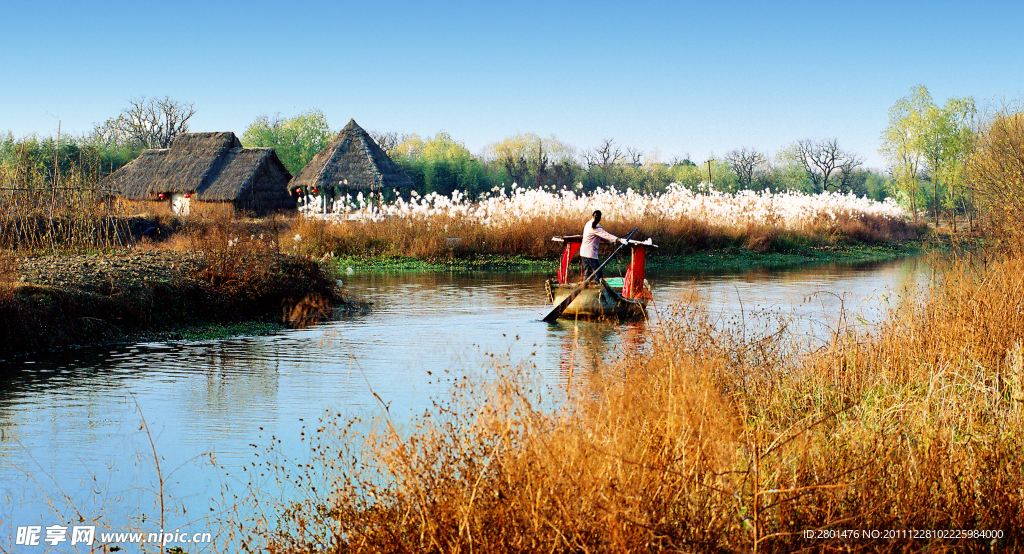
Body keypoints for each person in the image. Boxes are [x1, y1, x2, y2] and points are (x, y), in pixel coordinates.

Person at [580, 210, 627, 281]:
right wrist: (618, 240)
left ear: (592, 216)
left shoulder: (588, 224)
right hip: (590, 253)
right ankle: (598, 287)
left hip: (583, 252)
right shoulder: (596, 226)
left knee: (587, 272)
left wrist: (610, 241)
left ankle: (585, 287)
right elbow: (606, 235)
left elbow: (600, 236)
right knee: (598, 273)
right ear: (599, 219)